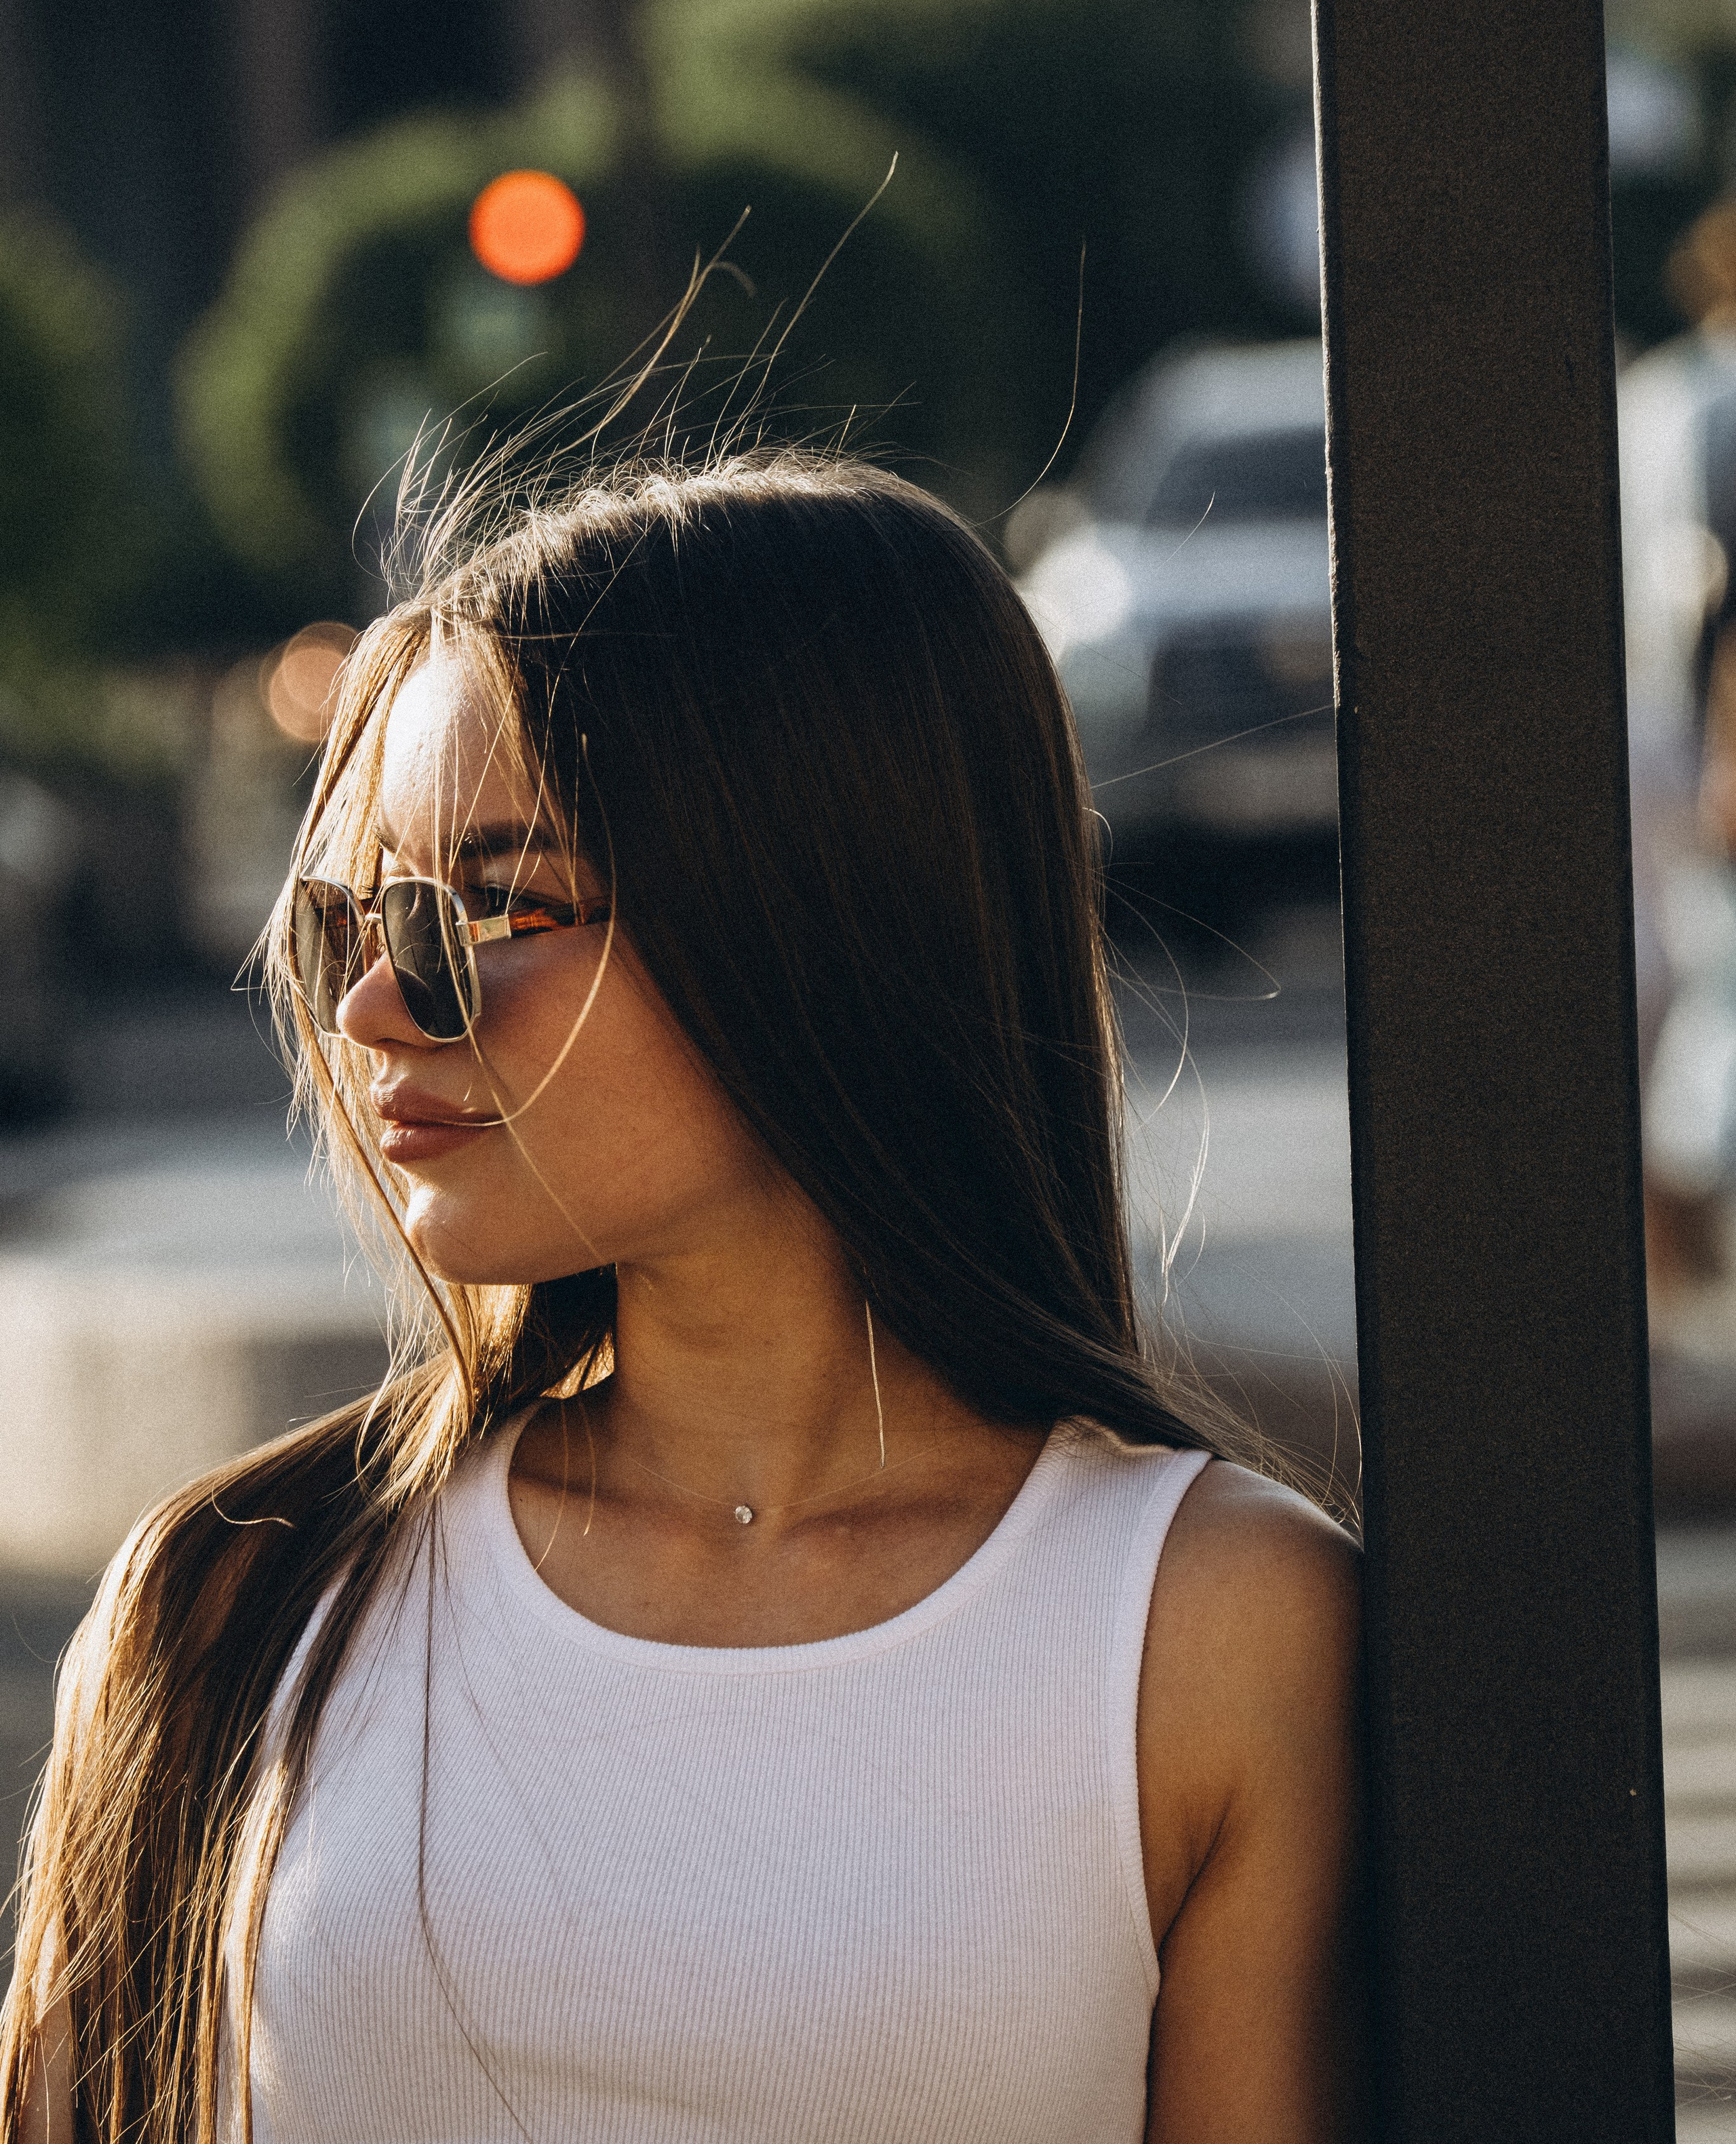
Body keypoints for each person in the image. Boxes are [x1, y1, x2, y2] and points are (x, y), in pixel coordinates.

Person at [3, 448, 1364, 2144]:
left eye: (485, 909)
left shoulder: (1210, 1628)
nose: (370, 1010)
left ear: (816, 916)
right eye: (344, 924)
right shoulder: (229, 1601)